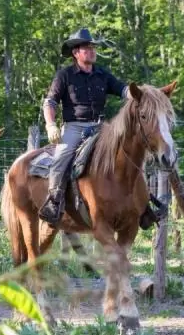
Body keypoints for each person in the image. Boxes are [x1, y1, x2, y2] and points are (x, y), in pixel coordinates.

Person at [39, 27, 165, 227]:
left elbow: (124, 90)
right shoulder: (64, 76)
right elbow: (50, 102)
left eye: (92, 47)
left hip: (100, 127)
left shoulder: (102, 74)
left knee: (128, 155)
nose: (91, 51)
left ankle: (143, 204)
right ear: (75, 53)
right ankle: (54, 202)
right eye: (86, 48)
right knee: (61, 158)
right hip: (74, 127)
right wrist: (50, 124)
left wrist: (144, 95)